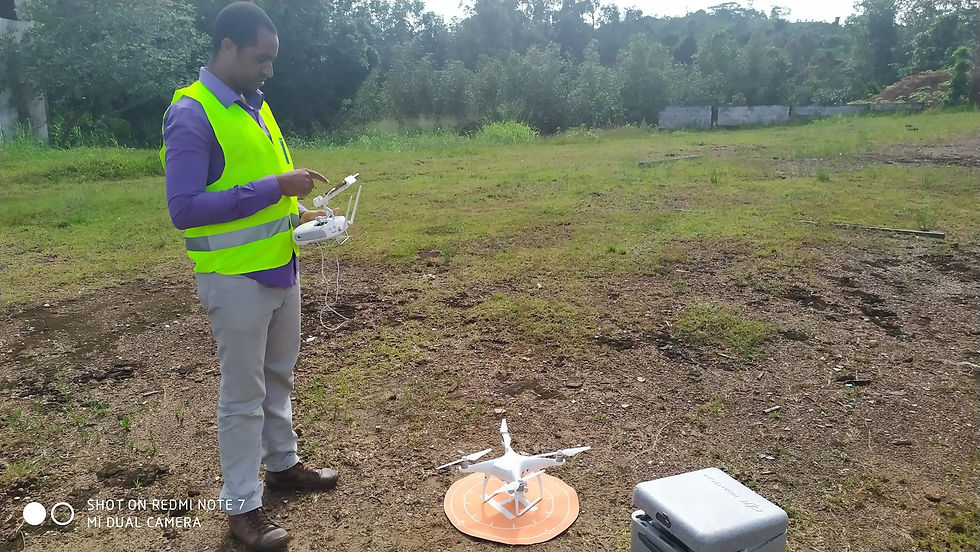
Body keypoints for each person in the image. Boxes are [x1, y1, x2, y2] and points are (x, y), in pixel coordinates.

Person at [160, 3, 338, 550]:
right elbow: (185, 208)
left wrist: (304, 215)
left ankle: (282, 465)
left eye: (273, 60)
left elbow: (259, 186)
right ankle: (241, 506)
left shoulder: (256, 105)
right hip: (234, 280)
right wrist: (276, 189)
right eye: (261, 58)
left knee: (278, 376)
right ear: (228, 47)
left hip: (280, 268)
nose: (268, 69)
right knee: (242, 396)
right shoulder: (192, 113)